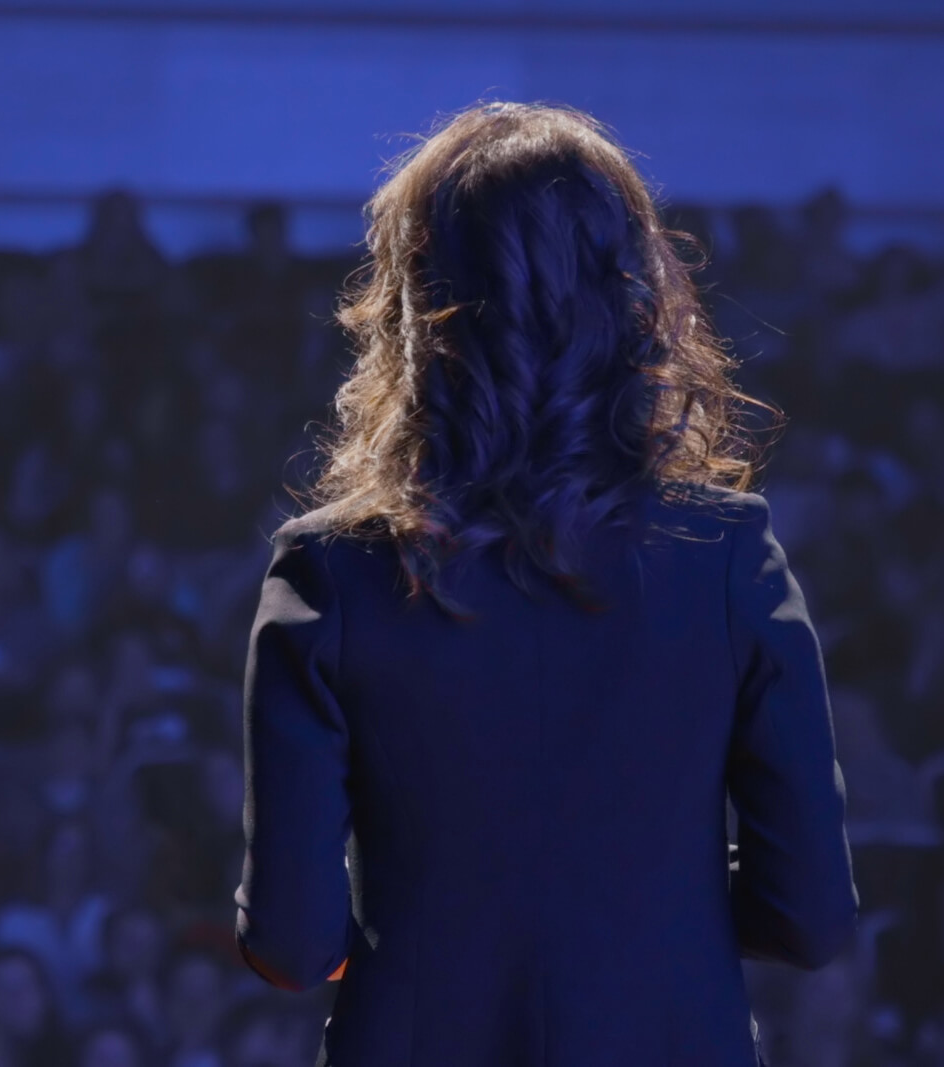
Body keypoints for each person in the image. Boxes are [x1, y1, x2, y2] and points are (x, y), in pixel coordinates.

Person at [229, 100, 857, 1066]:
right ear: (633, 296)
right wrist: (650, 911)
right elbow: (809, 916)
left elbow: (292, 942)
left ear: (412, 303)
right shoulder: (724, 559)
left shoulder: (332, 574)